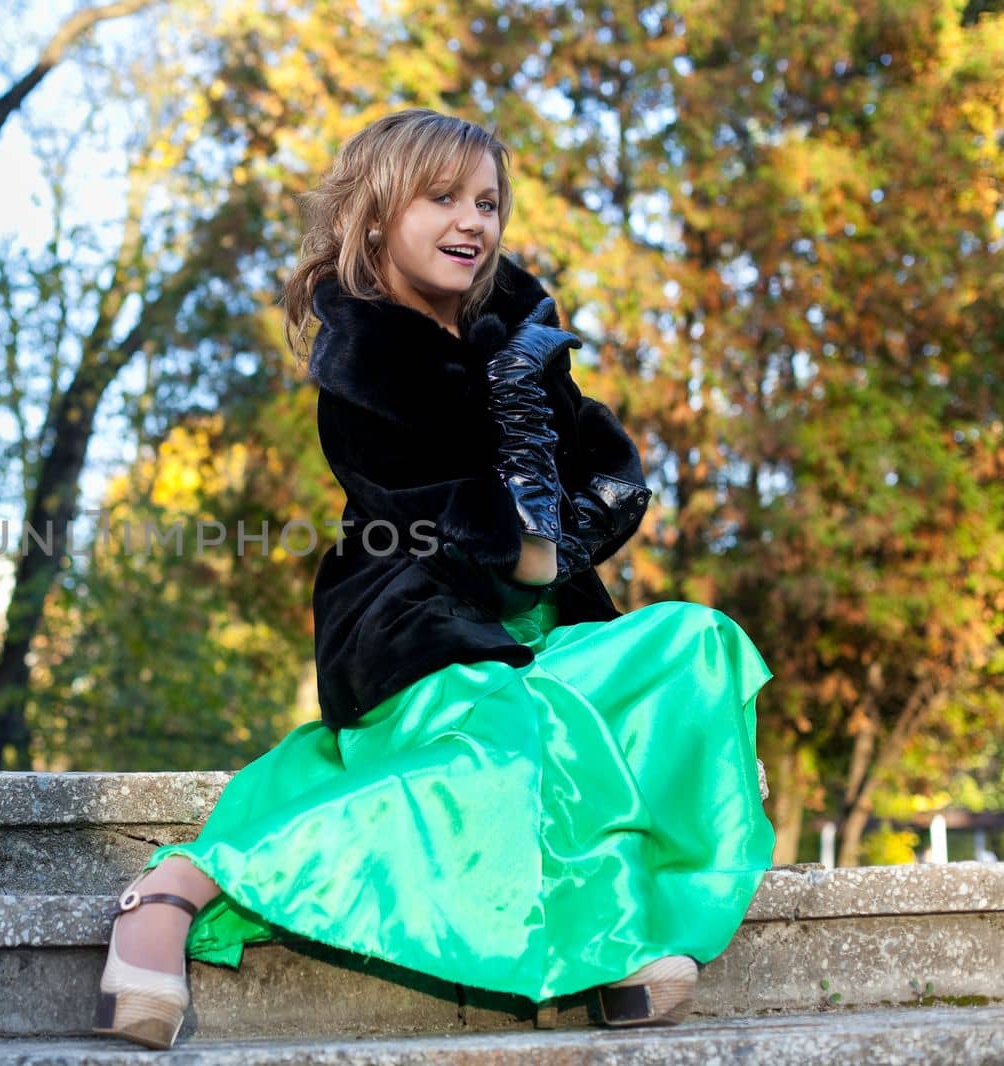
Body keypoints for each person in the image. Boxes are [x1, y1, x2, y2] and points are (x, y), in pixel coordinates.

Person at [92, 107, 775, 1051]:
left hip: (544, 615)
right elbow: (429, 502)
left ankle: (624, 930)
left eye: (489, 202)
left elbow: (607, 472)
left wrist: (554, 512)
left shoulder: (522, 327)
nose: (474, 221)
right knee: (507, 738)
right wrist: (525, 522)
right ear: (376, 218)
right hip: (413, 615)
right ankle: (180, 886)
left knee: (699, 647)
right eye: (443, 198)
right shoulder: (362, 346)